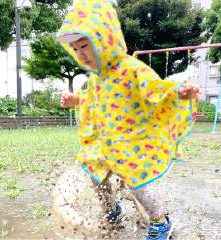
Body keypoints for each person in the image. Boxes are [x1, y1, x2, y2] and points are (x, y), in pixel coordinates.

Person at [57, 1, 201, 239]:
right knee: (97, 175)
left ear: (104, 40)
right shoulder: (95, 78)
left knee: (136, 184)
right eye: (74, 49)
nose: (80, 54)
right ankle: (111, 210)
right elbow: (92, 99)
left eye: (85, 45)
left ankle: (160, 220)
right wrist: (76, 99)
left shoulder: (130, 68)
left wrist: (177, 91)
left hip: (131, 140)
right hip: (106, 141)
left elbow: (154, 87)